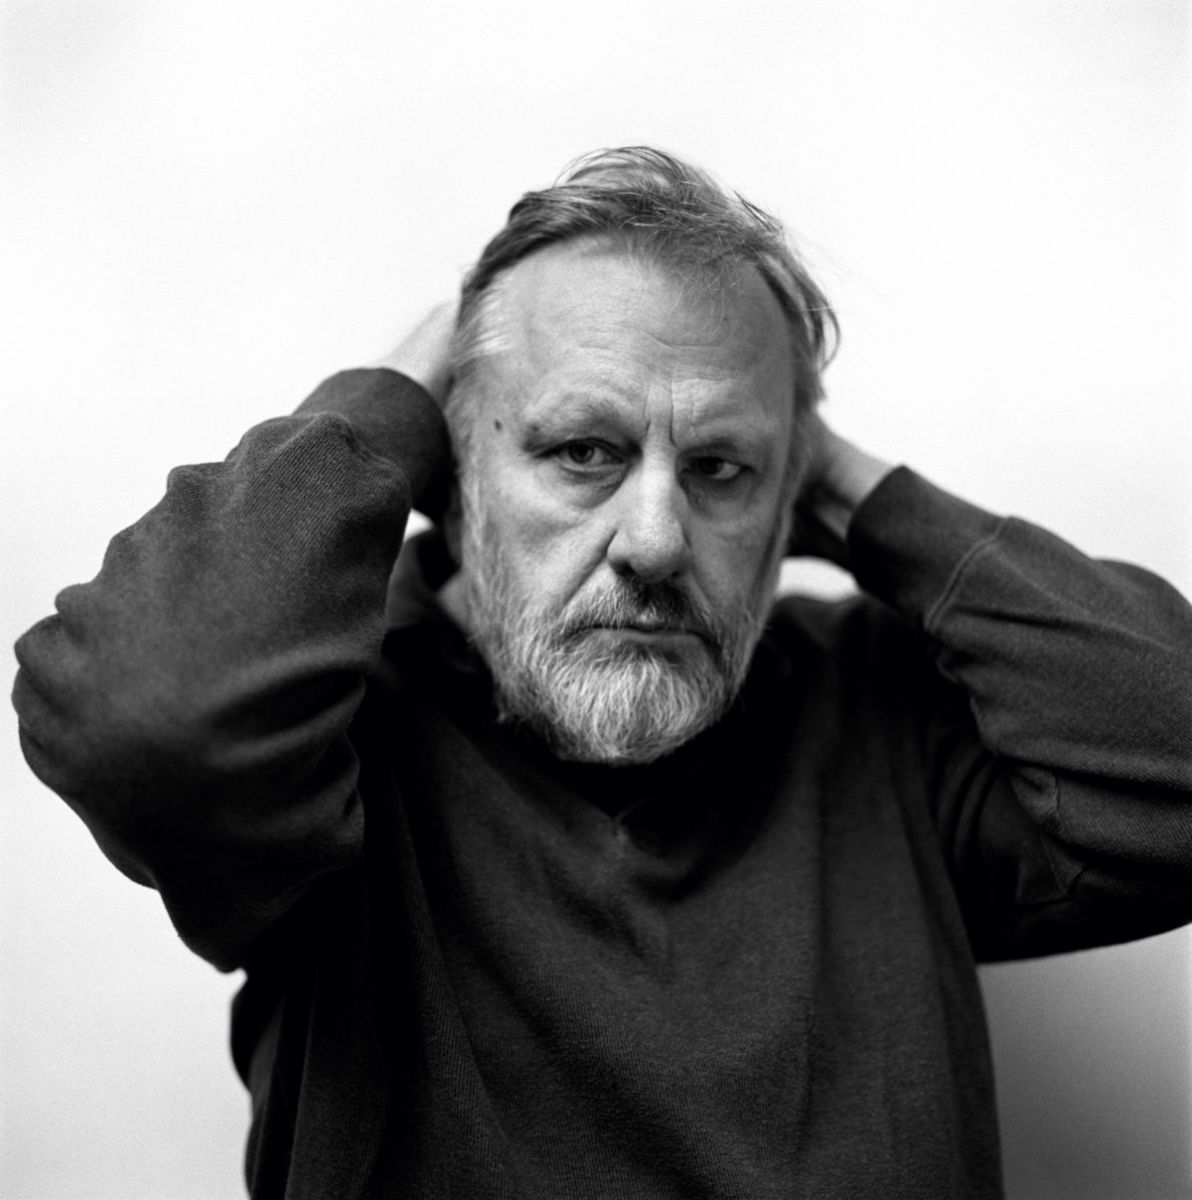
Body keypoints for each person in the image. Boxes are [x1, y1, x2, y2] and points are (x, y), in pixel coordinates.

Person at [11, 147, 1192, 1199]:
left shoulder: (877, 715)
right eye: (583, 450)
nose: (657, 542)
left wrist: (851, 492)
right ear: (453, 476)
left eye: (721, 470)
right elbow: (146, 722)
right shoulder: (331, 725)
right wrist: (388, 408)